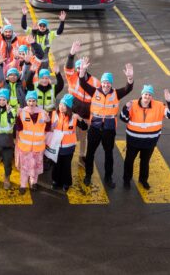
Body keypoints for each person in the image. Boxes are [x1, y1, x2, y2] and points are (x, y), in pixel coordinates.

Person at [78, 58, 134, 189]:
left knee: (109, 154)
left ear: (111, 84)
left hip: (109, 130)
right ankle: (88, 175)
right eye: (104, 82)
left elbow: (128, 88)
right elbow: (82, 83)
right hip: (95, 129)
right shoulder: (94, 91)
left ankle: (108, 177)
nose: (105, 85)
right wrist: (83, 70)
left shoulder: (116, 94)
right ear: (101, 83)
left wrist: (130, 78)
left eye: (108, 83)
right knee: (90, 153)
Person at [121, 86, 170, 189]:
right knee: (129, 161)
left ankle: (143, 180)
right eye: (145, 94)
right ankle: (127, 180)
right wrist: (125, 108)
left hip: (149, 142)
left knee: (145, 162)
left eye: (149, 94)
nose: (147, 96)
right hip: (133, 141)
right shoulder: (132, 104)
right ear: (142, 94)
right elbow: (123, 118)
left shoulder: (159, 106)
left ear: (152, 97)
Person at [64, 41, 96, 166]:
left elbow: (97, 101)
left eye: (81, 67)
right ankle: (66, 154)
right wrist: (71, 54)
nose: (79, 70)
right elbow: (68, 67)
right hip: (71, 113)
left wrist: (91, 118)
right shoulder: (72, 78)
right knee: (68, 135)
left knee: (83, 138)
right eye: (77, 68)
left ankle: (82, 156)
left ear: (86, 67)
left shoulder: (94, 82)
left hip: (85, 116)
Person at [49, 94, 88, 192]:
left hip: (68, 147)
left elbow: (84, 127)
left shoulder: (74, 118)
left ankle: (66, 183)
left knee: (66, 166)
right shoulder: (53, 114)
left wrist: (80, 118)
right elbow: (45, 125)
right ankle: (55, 181)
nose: (62, 107)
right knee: (56, 165)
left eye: (64, 105)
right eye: (61, 104)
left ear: (69, 108)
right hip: (56, 146)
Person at [15, 90, 49, 193]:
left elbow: (47, 129)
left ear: (36, 101)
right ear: (26, 101)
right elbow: (18, 127)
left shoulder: (43, 113)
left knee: (35, 167)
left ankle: (34, 182)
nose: (31, 103)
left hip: (38, 147)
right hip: (25, 147)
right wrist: (17, 116)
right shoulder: (22, 113)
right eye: (29, 100)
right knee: (24, 168)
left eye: (33, 101)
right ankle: (23, 184)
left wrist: (48, 121)